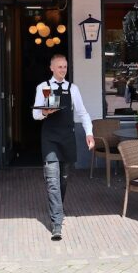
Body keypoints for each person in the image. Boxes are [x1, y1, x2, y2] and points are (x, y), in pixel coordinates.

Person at [32, 54, 94, 241]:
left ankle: (57, 207)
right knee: (52, 181)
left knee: (64, 178)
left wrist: (89, 132)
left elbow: (83, 113)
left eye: (65, 67)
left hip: (67, 138)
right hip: (50, 139)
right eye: (59, 67)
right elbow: (35, 115)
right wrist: (44, 112)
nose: (62, 70)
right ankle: (57, 223)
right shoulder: (43, 87)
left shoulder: (72, 89)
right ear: (51, 68)